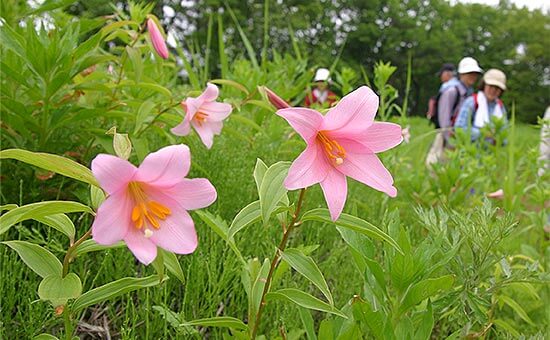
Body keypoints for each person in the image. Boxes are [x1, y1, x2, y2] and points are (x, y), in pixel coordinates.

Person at [426, 57, 482, 165]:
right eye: (469, 73)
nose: (473, 77)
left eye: (475, 73)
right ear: (461, 74)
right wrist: (450, 141)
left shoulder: (469, 92)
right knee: (440, 167)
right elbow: (444, 119)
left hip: (462, 137)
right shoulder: (452, 91)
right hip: (449, 138)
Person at [454, 69, 507, 143]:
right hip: (471, 150)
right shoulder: (471, 102)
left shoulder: (500, 107)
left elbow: (504, 136)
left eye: (497, 88)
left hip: (492, 152)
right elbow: (459, 128)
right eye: (491, 86)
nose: (493, 90)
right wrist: (483, 133)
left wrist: (499, 138)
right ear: (484, 85)